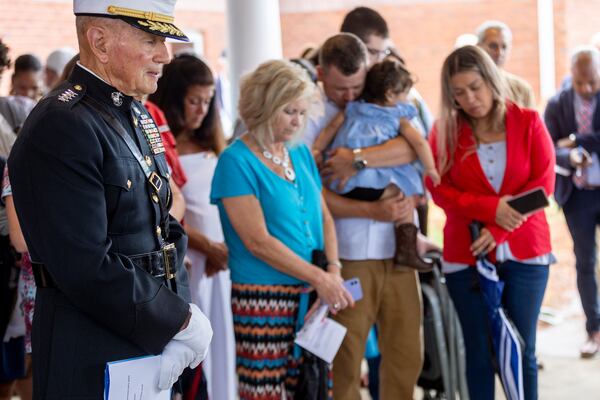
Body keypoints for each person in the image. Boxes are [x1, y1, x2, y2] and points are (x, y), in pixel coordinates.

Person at [7, 1, 213, 398]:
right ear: (99, 42)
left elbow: (164, 227)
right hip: (91, 345)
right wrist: (179, 320)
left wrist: (176, 314)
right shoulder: (62, 124)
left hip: (146, 336)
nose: (164, 56)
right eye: (150, 39)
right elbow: (85, 264)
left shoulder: (133, 114)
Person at [210, 59, 354, 399]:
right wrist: (322, 279)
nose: (297, 122)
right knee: (265, 391)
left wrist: (331, 271)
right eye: (289, 111)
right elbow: (257, 242)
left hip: (314, 293)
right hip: (263, 299)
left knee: (313, 387)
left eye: (303, 113)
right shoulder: (236, 160)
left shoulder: (300, 153)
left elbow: (325, 219)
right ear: (264, 106)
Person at [427, 45, 555, 400]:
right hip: (465, 255)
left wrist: (499, 226)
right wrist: (491, 207)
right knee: (479, 353)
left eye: (475, 87)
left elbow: (543, 186)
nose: (469, 99)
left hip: (526, 252)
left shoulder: (528, 121)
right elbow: (439, 189)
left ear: (491, 80)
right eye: (458, 92)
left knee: (522, 348)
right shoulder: (444, 131)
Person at [303, 33, 424, 400]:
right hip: (350, 254)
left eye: (357, 86)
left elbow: (413, 147)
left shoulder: (387, 97)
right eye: (342, 89)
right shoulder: (309, 116)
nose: (352, 97)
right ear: (321, 74)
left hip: (400, 250)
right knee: (346, 356)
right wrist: (371, 209)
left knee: (406, 352)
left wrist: (356, 158)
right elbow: (312, 196)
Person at [150, 54, 236, 400]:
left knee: (221, 342)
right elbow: (169, 212)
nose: (201, 109)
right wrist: (205, 246)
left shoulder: (214, 145)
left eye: (207, 101)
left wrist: (221, 249)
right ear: (174, 98)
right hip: (190, 260)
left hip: (220, 263)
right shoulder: (162, 146)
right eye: (193, 101)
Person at [312, 58, 439, 271]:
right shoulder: (398, 115)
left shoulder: (353, 108)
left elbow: (331, 129)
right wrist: (430, 169)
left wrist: (316, 150)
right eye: (403, 94)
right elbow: (418, 142)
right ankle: (407, 247)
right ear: (390, 94)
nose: (406, 99)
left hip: (346, 184)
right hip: (374, 188)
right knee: (403, 196)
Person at [544, 46, 600, 358]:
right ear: (572, 76)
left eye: (593, 81)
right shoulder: (557, 104)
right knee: (585, 262)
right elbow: (549, 146)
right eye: (581, 83)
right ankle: (594, 328)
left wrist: (577, 139)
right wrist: (570, 152)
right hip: (576, 196)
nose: (588, 88)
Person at [476, 20, 536, 108]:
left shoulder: (521, 89)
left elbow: (533, 121)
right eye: (493, 46)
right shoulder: (465, 87)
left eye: (504, 47)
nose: (499, 52)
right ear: (478, 47)